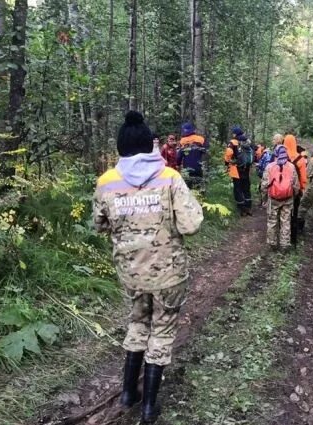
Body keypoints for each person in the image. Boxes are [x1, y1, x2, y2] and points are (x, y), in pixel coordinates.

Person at [93, 111, 204, 424]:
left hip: (131, 273)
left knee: (138, 322)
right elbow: (192, 224)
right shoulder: (169, 177)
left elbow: (99, 225)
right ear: (149, 145)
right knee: (163, 329)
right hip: (169, 273)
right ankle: (149, 407)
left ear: (121, 148)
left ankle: (129, 393)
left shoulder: (106, 182)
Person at [260, 145, 299, 251]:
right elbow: (296, 185)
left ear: (275, 154)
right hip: (288, 198)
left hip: (273, 199)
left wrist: (264, 200)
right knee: (286, 221)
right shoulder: (291, 167)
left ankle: (272, 244)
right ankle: (284, 245)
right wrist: (294, 195)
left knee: (272, 221)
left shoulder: (269, 167)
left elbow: (264, 185)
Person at [283, 129, 307, 244]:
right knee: (294, 212)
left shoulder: (280, 157)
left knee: (283, 213)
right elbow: (303, 177)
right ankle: (293, 239)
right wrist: (302, 189)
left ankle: (282, 238)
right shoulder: (300, 159)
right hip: (295, 191)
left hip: (282, 190)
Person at [224, 126, 254, 216]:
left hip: (236, 169)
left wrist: (227, 163)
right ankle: (248, 207)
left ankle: (242, 209)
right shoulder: (248, 141)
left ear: (235, 134)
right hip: (247, 168)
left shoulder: (233, 142)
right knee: (246, 187)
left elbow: (228, 153)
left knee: (238, 188)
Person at [177, 122, 206, 190]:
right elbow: (205, 151)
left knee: (188, 188)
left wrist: (178, 164)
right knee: (198, 187)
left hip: (187, 168)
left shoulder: (182, 141)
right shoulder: (201, 139)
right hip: (198, 167)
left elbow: (179, 156)